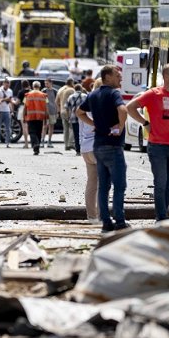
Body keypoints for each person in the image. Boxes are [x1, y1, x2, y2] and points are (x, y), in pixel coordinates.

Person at [126, 64, 169, 222]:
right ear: (166, 76)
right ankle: (161, 218)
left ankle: (163, 215)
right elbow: (130, 107)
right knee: (160, 183)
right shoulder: (153, 94)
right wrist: (145, 123)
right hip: (158, 146)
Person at [78, 65, 129, 232]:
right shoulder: (114, 93)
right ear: (107, 77)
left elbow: (78, 112)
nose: (120, 78)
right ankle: (120, 220)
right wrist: (120, 127)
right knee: (119, 184)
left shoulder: (92, 95)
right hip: (113, 146)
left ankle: (105, 221)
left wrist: (95, 125)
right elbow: (123, 109)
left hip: (98, 145)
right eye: (117, 75)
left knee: (103, 185)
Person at [76, 78, 97, 221]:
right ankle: (102, 216)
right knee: (103, 184)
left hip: (86, 148)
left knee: (91, 183)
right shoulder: (101, 105)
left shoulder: (84, 106)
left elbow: (80, 130)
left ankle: (91, 216)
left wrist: (81, 147)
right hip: (97, 146)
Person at [65, 78, 89, 155]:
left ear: (74, 89)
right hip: (84, 118)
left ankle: (78, 150)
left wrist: (68, 116)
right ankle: (84, 149)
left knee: (76, 134)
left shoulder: (71, 97)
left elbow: (67, 108)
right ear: (81, 89)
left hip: (74, 118)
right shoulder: (85, 96)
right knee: (84, 133)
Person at [23, 81, 48, 155]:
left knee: (32, 132)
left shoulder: (27, 95)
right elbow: (46, 107)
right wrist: (46, 118)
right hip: (40, 117)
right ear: (39, 86)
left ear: (32, 86)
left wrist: (24, 116)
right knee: (38, 132)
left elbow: (25, 107)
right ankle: (37, 147)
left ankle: (35, 145)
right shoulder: (44, 95)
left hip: (31, 116)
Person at [56, 78, 76, 150]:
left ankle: (66, 145)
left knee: (65, 129)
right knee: (72, 127)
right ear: (71, 83)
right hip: (69, 111)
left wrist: (59, 111)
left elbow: (56, 101)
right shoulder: (71, 90)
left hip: (62, 111)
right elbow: (74, 100)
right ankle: (71, 143)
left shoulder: (60, 89)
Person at [0, 79, 14, 147]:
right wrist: (5, 99)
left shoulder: (10, 91)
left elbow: (10, 101)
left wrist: (12, 111)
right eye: (6, 84)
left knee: (8, 128)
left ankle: (8, 142)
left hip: (7, 110)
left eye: (8, 84)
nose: (7, 85)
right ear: (3, 84)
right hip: (0, 110)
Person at [43, 79, 58, 147]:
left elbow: (57, 102)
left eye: (47, 83)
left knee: (51, 126)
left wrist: (57, 111)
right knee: (44, 126)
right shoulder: (43, 91)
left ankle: (49, 141)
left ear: (51, 83)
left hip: (52, 111)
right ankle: (42, 140)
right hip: (44, 111)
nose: (46, 85)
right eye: (45, 83)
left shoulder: (55, 91)